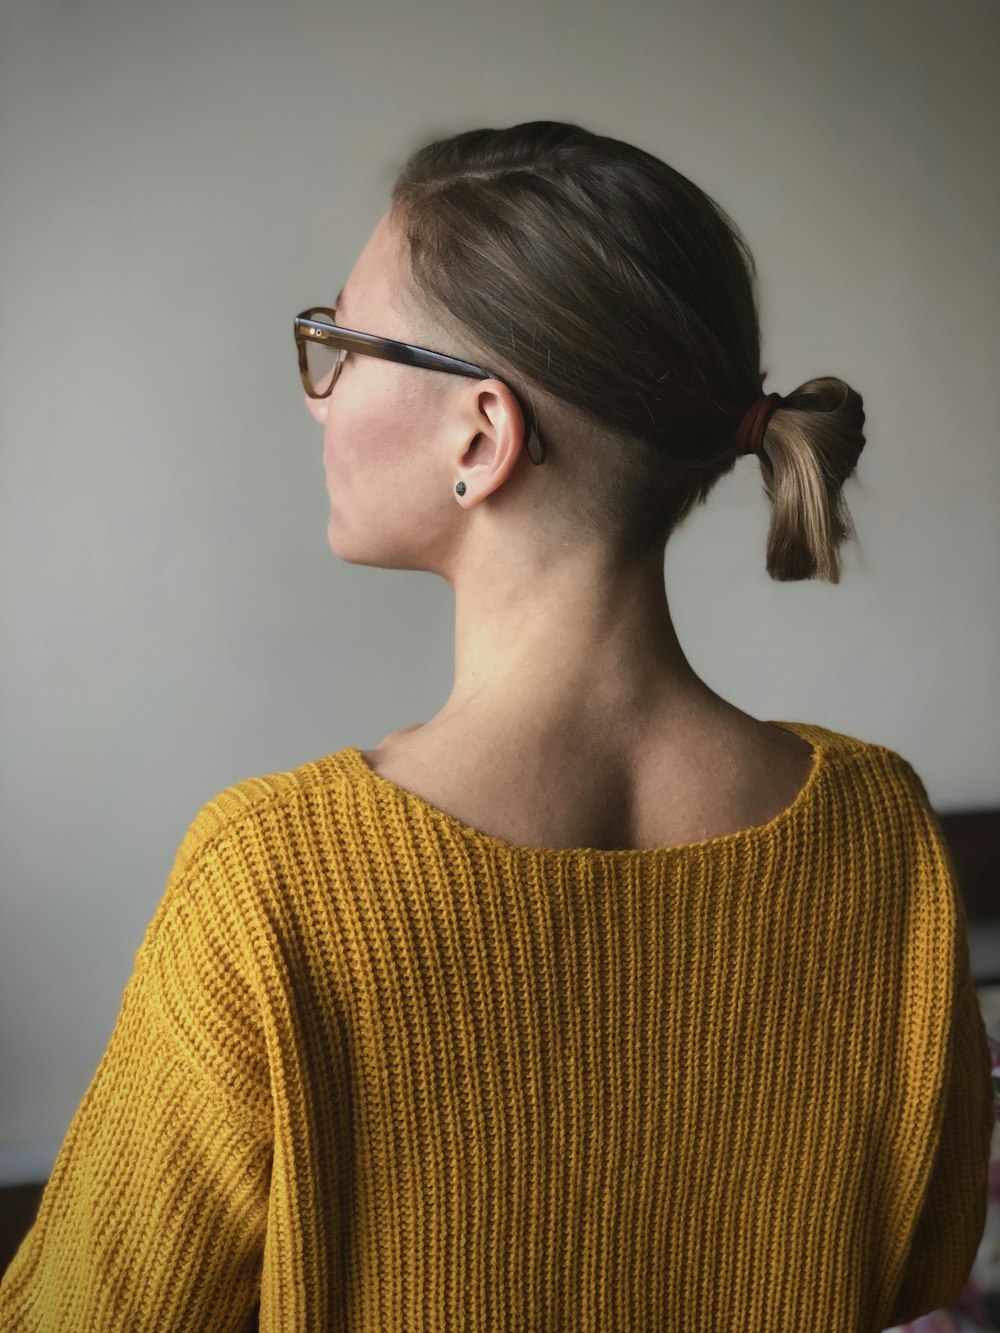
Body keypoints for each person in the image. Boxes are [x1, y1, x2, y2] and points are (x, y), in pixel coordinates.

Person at [0, 120, 993, 1332]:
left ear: (479, 432)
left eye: (342, 345)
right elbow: (924, 1260)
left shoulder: (275, 883)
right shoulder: (879, 832)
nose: (318, 400)